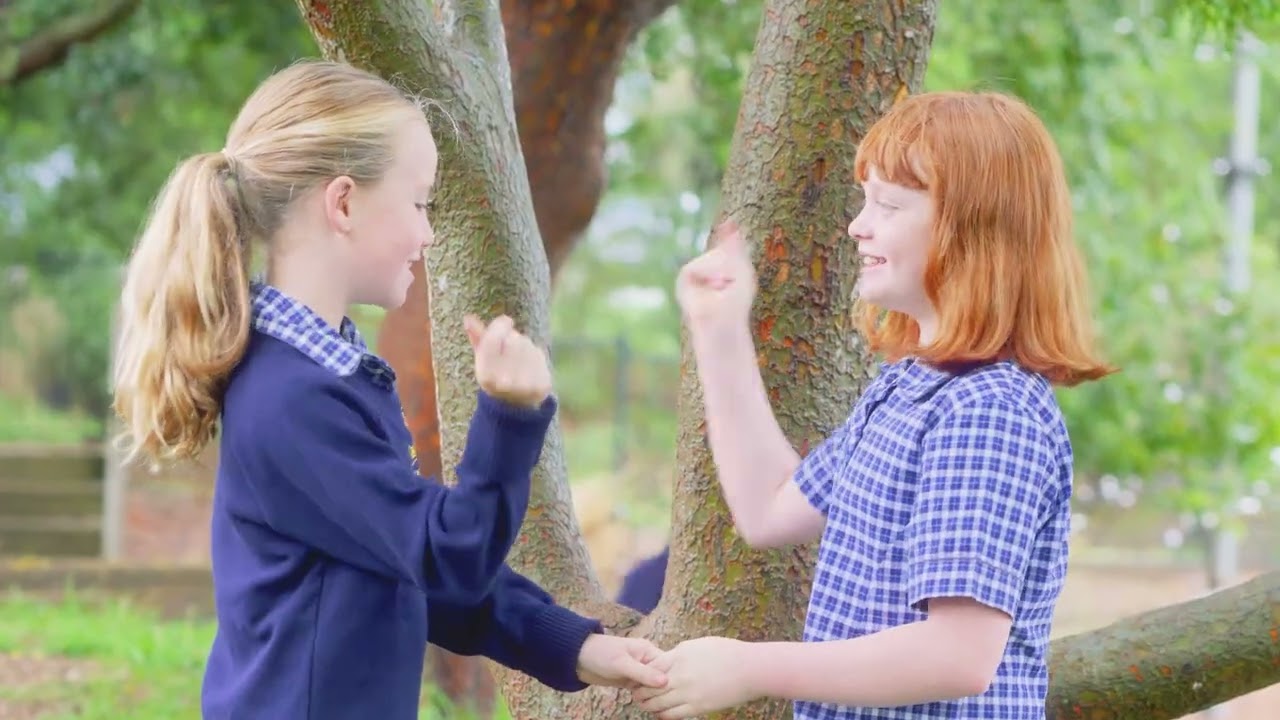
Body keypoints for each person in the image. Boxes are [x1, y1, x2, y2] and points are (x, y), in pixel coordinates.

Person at [110, 59, 666, 720]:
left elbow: (409, 567)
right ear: (343, 203)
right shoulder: (292, 398)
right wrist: (509, 417)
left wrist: (574, 646)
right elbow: (445, 558)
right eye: (419, 202)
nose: (428, 232)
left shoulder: (320, 375)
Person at [634, 90, 1115, 719]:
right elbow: (769, 509)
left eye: (888, 205)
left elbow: (957, 656)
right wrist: (718, 328)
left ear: (973, 228)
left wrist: (750, 667)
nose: (858, 225)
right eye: (866, 200)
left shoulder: (988, 411)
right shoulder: (909, 387)